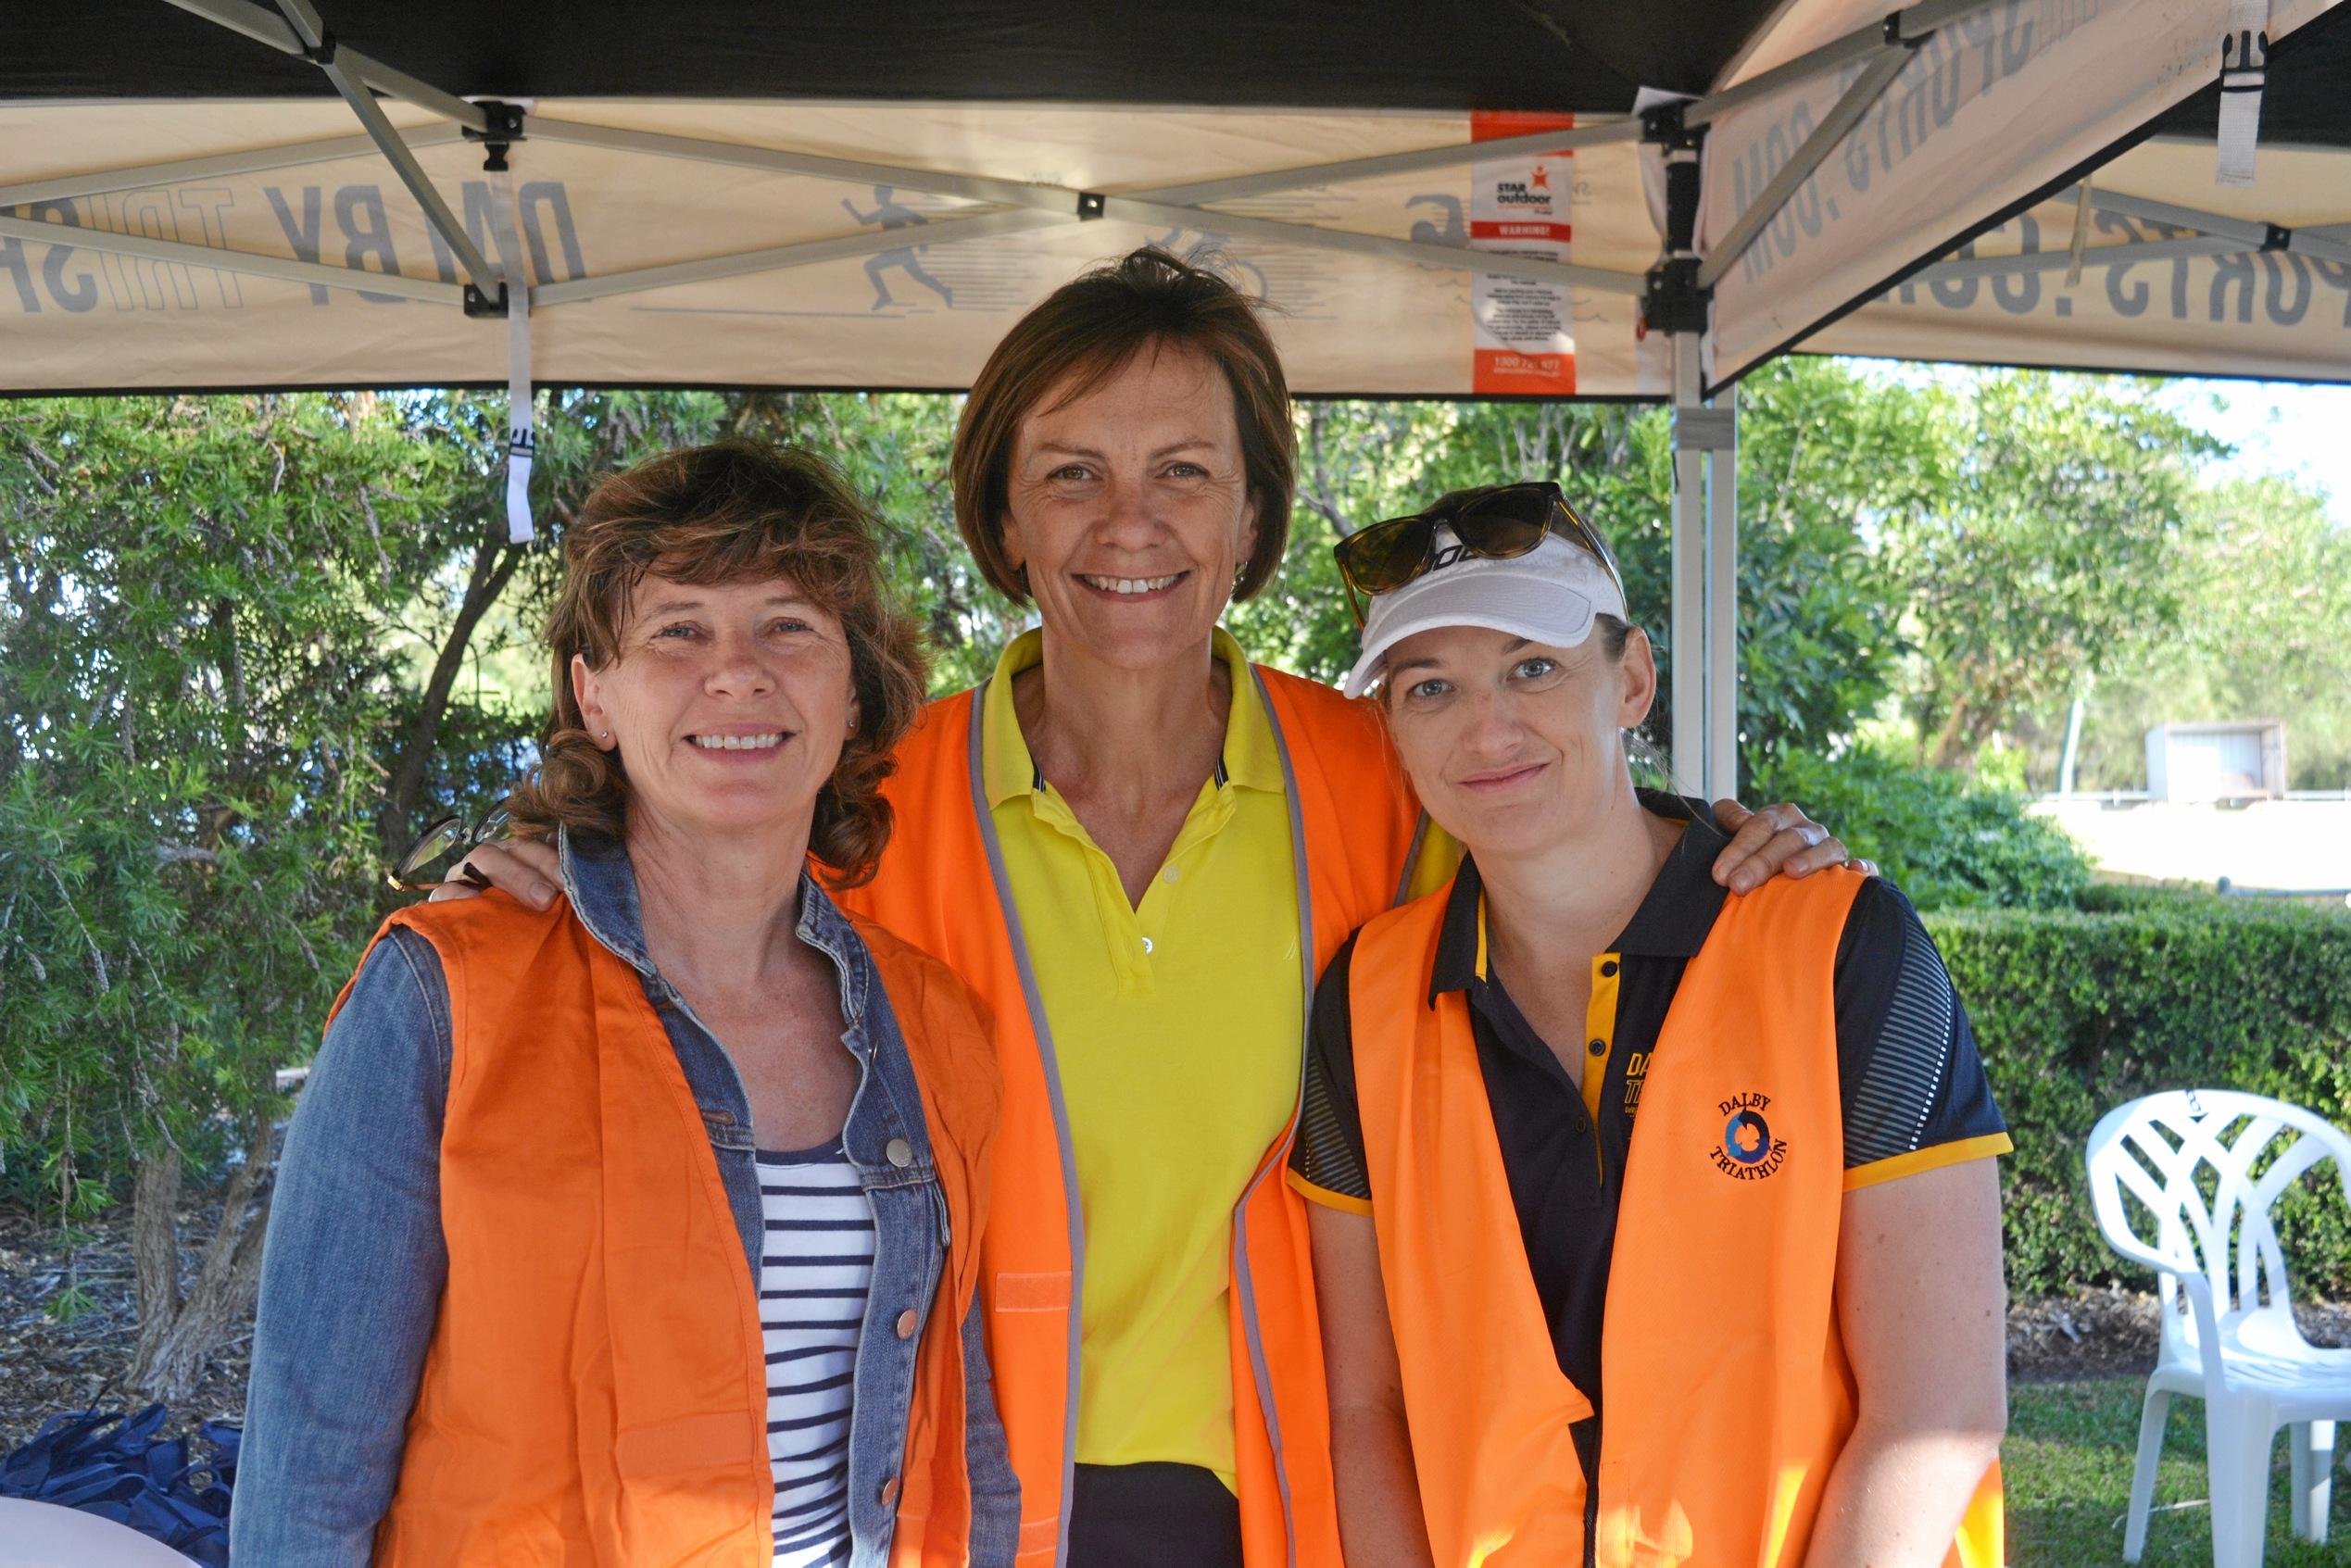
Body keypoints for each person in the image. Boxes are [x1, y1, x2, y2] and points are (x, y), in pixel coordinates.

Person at [440, 250, 1856, 1568]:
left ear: (1251, 517)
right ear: (1003, 514)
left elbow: (1571, 835)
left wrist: (1722, 842)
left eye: (1184, 471)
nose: (1130, 523)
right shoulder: (858, 808)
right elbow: (673, 902)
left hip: (1317, 1496)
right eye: (1072, 474)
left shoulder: (1389, 783)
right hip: (973, 1502)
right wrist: (545, 871)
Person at [236, 443, 1020, 1566]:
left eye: (790, 625)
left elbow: (964, 1428)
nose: (738, 671)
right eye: (678, 629)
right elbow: (308, 1475)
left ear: (855, 692)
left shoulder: (935, 1022)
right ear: (593, 696)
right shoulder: (443, 995)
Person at [1290, 482, 2010, 1567]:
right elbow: (1366, 1407)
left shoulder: (1842, 947)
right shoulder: (1365, 999)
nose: (1488, 727)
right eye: (1430, 687)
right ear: (1391, 730)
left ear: (1629, 681)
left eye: (1533, 666)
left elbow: (1935, 1406)